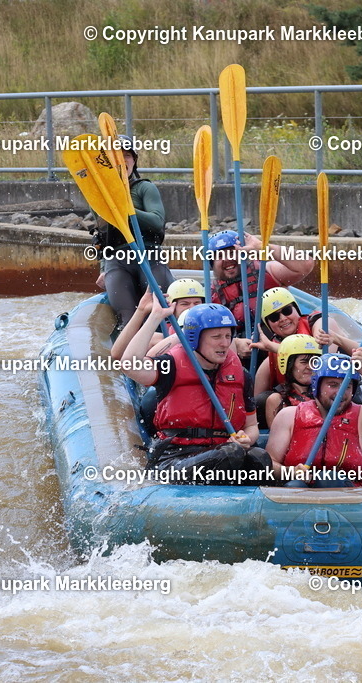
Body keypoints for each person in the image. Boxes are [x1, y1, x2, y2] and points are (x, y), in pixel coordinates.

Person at [121, 299, 272, 484]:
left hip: (223, 451)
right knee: (230, 453)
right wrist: (155, 317)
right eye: (216, 337)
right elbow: (128, 364)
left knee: (259, 457)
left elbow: (251, 426)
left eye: (227, 336)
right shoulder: (171, 365)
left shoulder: (241, 375)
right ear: (194, 338)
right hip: (174, 458)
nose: (224, 343)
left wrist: (246, 438)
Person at [266, 352, 362, 487]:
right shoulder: (289, 415)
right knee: (295, 485)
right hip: (300, 492)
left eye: (347, 386)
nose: (340, 393)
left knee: (329, 479)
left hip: (347, 499)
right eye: (332, 385)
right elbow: (270, 464)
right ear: (317, 386)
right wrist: (290, 472)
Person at [94, 135, 172, 330]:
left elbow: (157, 221)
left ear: (134, 160)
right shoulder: (101, 197)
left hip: (150, 258)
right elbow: (104, 236)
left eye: (127, 155)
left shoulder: (145, 188)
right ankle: (131, 358)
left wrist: (127, 209)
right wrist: (103, 267)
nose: (122, 160)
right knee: (127, 319)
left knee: (159, 313)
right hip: (118, 261)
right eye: (117, 156)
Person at [252, 287, 358, 395]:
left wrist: (274, 347)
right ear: (268, 325)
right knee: (262, 399)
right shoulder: (272, 351)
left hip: (338, 392)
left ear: (296, 309)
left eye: (287, 311)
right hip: (303, 402)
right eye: (274, 317)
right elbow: (256, 398)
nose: (283, 318)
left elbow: (319, 357)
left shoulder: (319, 323)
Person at [207, 230, 314, 330]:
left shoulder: (266, 271)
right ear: (212, 264)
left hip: (283, 340)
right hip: (245, 346)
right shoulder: (211, 295)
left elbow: (306, 264)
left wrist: (262, 247)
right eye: (220, 256)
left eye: (232, 253)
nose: (227, 259)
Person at [109, 279, 205, 361]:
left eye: (197, 303)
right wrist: (141, 310)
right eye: (184, 304)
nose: (192, 308)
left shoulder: (213, 332)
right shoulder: (160, 336)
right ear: (171, 306)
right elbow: (118, 354)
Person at [256, 333, 321, 429]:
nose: (310, 366)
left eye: (314, 361)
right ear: (288, 365)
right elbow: (278, 438)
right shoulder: (276, 399)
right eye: (304, 362)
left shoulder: (323, 395)